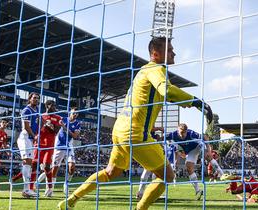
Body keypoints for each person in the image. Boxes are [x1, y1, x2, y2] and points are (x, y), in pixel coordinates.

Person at [58, 37, 213, 210]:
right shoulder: (155, 68)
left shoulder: (143, 72)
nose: (173, 52)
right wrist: (197, 102)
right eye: (169, 49)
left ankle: (71, 200)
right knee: (168, 176)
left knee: (110, 172)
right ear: (155, 54)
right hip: (135, 132)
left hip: (120, 129)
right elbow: (167, 91)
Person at [164, 123, 224, 200]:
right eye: (181, 133)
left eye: (184, 133)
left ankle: (222, 175)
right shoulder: (173, 135)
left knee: (207, 156)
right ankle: (198, 191)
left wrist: (209, 150)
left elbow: (205, 137)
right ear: (177, 131)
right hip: (191, 151)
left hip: (198, 145)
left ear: (186, 131)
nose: (182, 135)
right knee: (188, 166)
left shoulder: (191, 133)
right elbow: (162, 138)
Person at [37, 105, 81, 195]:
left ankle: (66, 184)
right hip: (59, 146)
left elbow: (75, 136)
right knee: (54, 169)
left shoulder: (77, 124)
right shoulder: (62, 119)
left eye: (77, 113)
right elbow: (54, 123)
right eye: (74, 112)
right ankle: (49, 189)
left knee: (72, 167)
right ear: (70, 112)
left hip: (69, 146)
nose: (75, 114)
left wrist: (64, 127)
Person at [31, 100, 64, 197]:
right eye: (52, 105)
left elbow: (56, 131)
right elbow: (36, 128)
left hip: (49, 145)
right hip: (39, 144)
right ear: (47, 106)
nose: (54, 107)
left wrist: (50, 125)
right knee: (34, 165)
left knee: (46, 166)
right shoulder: (41, 116)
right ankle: (31, 187)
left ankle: (50, 188)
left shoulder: (57, 117)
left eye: (55, 105)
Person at [17, 92, 40, 198]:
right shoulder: (27, 110)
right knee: (27, 162)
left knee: (29, 163)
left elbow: (38, 123)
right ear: (30, 99)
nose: (36, 100)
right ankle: (26, 190)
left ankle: (27, 190)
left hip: (30, 139)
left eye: (38, 98)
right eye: (34, 98)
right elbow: (26, 126)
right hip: (25, 137)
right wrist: (35, 136)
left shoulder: (37, 110)